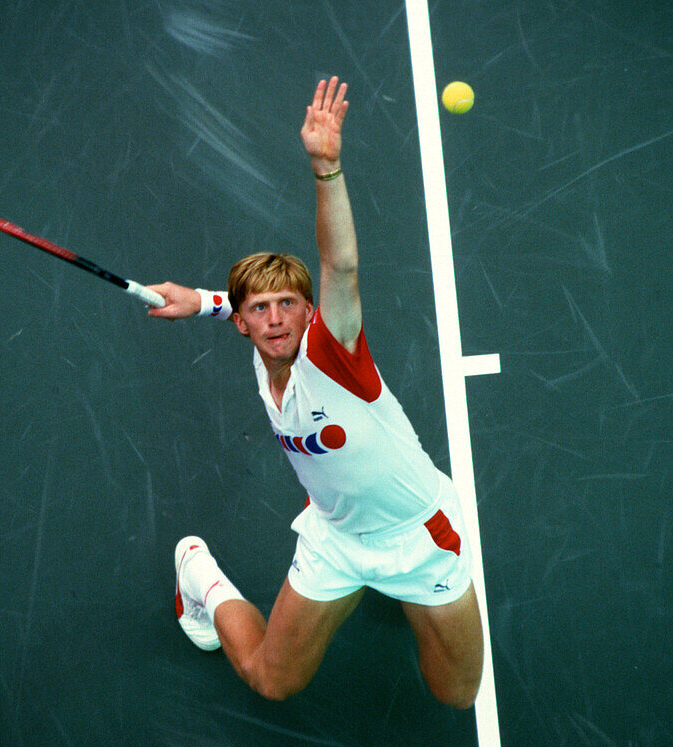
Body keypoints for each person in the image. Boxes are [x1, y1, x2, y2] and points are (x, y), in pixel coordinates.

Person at [146, 77, 483, 709]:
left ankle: (406, 593)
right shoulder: (258, 341)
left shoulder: (333, 358)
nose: (275, 319)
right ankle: (197, 572)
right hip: (337, 537)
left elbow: (341, 268)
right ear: (241, 322)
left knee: (456, 695)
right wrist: (199, 302)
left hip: (419, 537)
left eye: (289, 307)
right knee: (275, 682)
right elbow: (233, 305)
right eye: (259, 310)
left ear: (310, 316)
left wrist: (326, 168)